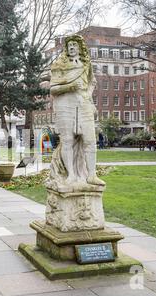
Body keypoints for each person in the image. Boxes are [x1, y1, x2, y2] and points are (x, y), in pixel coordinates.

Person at [50, 35, 104, 186]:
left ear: (80, 47)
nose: (72, 47)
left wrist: (88, 94)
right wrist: (69, 87)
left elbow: (92, 81)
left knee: (90, 140)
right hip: (65, 105)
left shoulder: (86, 65)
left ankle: (92, 175)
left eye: (75, 44)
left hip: (83, 103)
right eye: (69, 45)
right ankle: (71, 175)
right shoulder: (59, 65)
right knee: (67, 140)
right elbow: (53, 89)